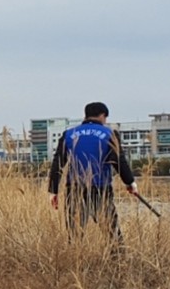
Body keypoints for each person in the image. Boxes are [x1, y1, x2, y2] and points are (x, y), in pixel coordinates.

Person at [48, 102, 136, 245]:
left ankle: (75, 263)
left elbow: (57, 163)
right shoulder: (110, 134)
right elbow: (119, 162)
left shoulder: (69, 134)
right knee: (111, 232)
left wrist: (53, 191)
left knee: (75, 234)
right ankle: (118, 263)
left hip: (74, 189)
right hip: (101, 189)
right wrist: (130, 182)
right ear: (102, 116)